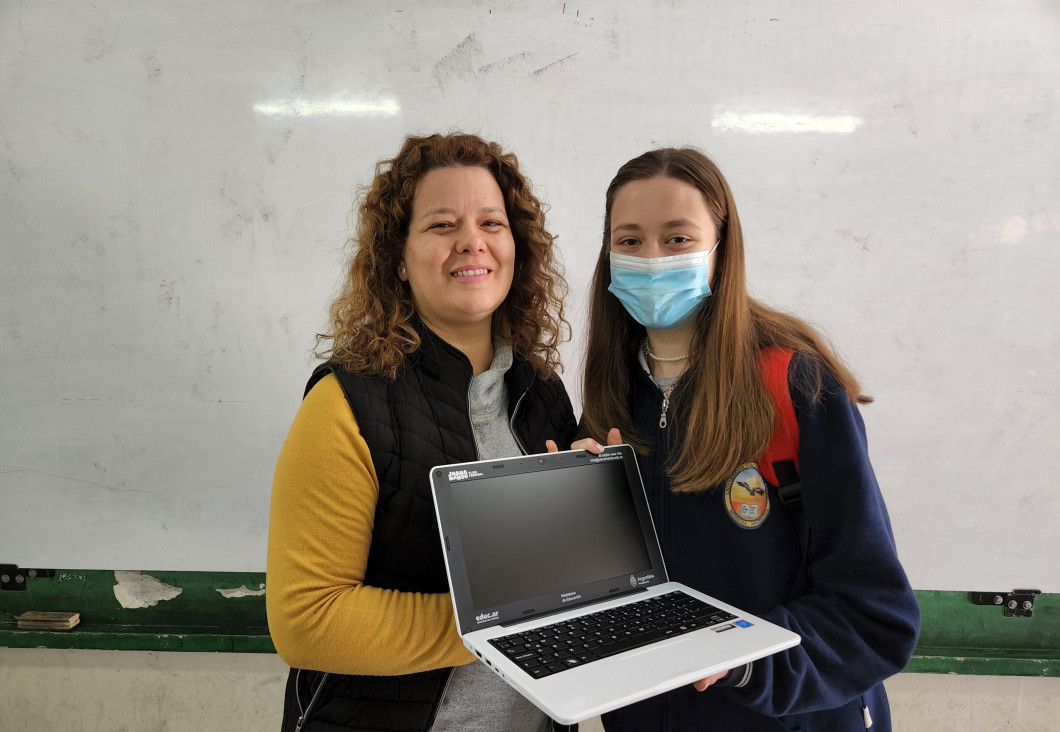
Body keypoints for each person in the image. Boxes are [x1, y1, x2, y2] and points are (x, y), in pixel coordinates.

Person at [574, 147, 920, 730]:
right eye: (629, 241)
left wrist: (743, 662)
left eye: (678, 238)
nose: (651, 258)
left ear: (721, 248)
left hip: (785, 716)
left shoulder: (795, 383)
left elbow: (874, 613)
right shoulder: (610, 394)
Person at [266, 132, 578, 732]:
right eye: (441, 225)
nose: (472, 242)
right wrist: (502, 628)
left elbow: (554, 577)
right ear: (398, 260)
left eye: (492, 221)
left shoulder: (542, 395)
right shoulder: (345, 404)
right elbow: (307, 620)